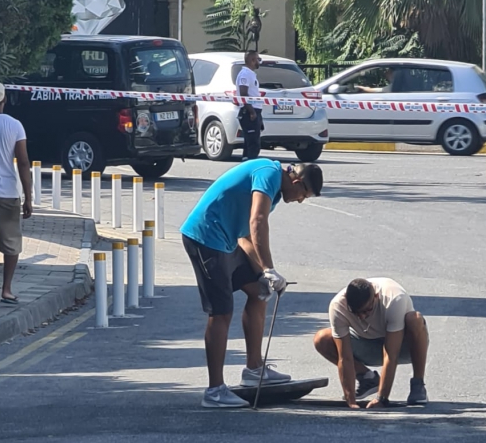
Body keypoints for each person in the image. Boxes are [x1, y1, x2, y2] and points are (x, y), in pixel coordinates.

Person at [181, 159, 324, 408]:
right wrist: (269, 267)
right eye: (303, 195)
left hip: (227, 240)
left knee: (260, 291)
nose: (300, 200)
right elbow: (257, 222)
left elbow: (246, 234)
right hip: (204, 238)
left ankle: (254, 370)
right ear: (297, 182)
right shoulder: (269, 174)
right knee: (221, 312)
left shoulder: (277, 190)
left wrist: (265, 274)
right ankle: (214, 391)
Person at [314, 277, 429, 409]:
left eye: (366, 310)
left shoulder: (394, 299)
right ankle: (367, 378)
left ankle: (418, 384)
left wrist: (382, 399)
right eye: (355, 312)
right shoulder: (338, 305)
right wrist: (350, 400)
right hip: (365, 344)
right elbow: (344, 357)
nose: (362, 317)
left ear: (376, 296)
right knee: (322, 338)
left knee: (414, 319)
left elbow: (391, 355)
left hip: (403, 347)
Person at [0, 81, 32, 309]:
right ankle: (7, 289)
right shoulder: (15, 125)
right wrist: (28, 198)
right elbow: (23, 162)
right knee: (11, 244)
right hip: (7, 193)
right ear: (4, 100)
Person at [235, 50, 264, 160]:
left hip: (255, 111)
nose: (259, 62)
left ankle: (246, 162)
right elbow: (243, 94)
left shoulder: (250, 74)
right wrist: (251, 111)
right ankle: (250, 167)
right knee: (253, 144)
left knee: (250, 143)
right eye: (258, 59)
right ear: (252, 60)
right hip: (249, 112)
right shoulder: (245, 74)